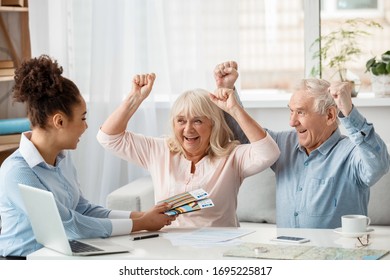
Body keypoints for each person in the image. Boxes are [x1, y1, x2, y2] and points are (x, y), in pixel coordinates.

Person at [0, 55, 175, 258]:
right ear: (59, 121)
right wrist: (140, 223)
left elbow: (82, 209)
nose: (86, 126)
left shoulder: (62, 159)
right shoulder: (18, 173)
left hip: (60, 255)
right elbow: (69, 225)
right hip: (23, 262)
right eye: (83, 118)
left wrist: (142, 216)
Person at [217, 61, 390, 229]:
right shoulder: (282, 144)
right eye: (291, 111)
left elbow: (379, 164)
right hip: (288, 251)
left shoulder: (351, 153)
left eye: (300, 112)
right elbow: (244, 134)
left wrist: (349, 111)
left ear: (330, 116)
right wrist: (227, 89)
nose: (292, 122)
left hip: (334, 255)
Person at [96, 72, 280, 228]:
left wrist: (235, 109)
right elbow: (108, 138)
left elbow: (269, 153)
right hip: (169, 247)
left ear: (213, 125)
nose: (188, 129)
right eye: (181, 120)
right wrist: (134, 98)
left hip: (218, 248)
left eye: (198, 121)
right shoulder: (159, 150)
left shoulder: (232, 155)